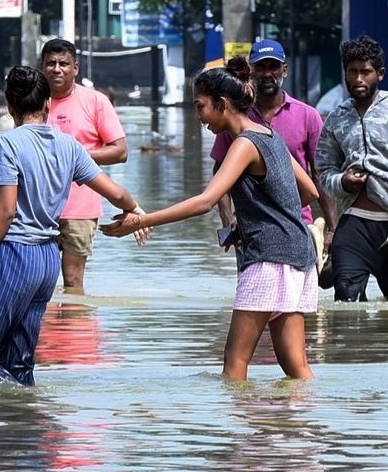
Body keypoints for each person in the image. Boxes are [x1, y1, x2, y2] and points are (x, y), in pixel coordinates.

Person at [102, 56, 319, 381]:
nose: (198, 115)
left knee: (234, 365)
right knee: (296, 367)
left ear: (222, 104)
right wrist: (270, 215)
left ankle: (237, 433)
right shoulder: (271, 135)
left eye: (200, 106)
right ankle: (306, 428)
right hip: (299, 257)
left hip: (268, 260)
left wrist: (141, 221)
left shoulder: (244, 144)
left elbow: (206, 202)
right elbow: (310, 191)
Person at [0, 65, 146, 386]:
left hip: (14, 255)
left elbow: (4, 213)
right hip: (46, 261)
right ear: (48, 105)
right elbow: (117, 194)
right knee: (20, 362)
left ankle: (7, 419)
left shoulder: (8, 143)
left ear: (10, 106)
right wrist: (137, 211)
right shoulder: (69, 146)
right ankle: (27, 427)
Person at [315, 35, 388, 302]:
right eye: (352, 71)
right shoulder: (335, 119)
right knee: (347, 301)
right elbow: (323, 171)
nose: (359, 78)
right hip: (354, 225)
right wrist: (343, 182)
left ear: (379, 74)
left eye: (365, 72)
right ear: (345, 73)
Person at [210, 39, 337, 266]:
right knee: (253, 295)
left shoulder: (307, 116)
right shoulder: (236, 118)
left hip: (298, 225)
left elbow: (318, 176)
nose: (267, 74)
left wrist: (333, 229)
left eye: (273, 66)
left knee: (296, 294)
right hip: (251, 230)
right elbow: (220, 175)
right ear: (251, 72)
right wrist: (228, 222)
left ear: (284, 71)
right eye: (261, 67)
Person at [39, 38, 141, 292]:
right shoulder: (33, 102)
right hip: (37, 207)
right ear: (42, 68)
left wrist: (76, 156)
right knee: (38, 282)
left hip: (80, 207)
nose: (57, 69)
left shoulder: (95, 101)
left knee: (73, 281)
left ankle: (74, 329)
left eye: (64, 63)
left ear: (76, 68)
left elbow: (120, 151)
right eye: (50, 63)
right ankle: (45, 332)